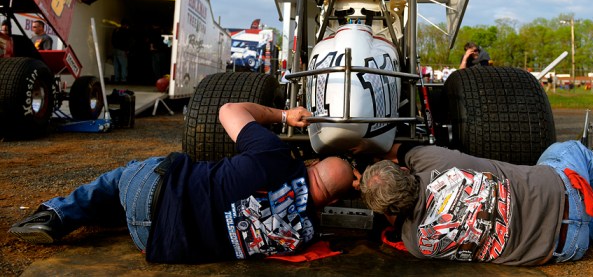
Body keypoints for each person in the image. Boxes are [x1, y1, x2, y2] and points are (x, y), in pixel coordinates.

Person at [9, 102, 359, 263]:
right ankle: (105, 214)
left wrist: (284, 116)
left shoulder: (273, 155)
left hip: (150, 191)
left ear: (311, 162)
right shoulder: (305, 235)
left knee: (120, 178)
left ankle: (58, 213)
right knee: (129, 203)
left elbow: (228, 110)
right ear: (330, 203)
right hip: (154, 242)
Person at [360, 141, 593, 266]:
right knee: (568, 149)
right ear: (404, 172)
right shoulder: (430, 159)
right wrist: (368, 150)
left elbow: (398, 221)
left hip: (563, 250)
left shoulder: (417, 243)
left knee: (571, 225)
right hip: (564, 196)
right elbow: (401, 148)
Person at [111, 19, 133, 83]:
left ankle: (116, 78)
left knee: (116, 65)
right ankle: (123, 79)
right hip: (122, 50)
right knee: (124, 65)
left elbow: (112, 39)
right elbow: (129, 41)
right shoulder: (126, 31)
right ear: (126, 25)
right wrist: (127, 49)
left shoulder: (116, 30)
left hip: (115, 49)